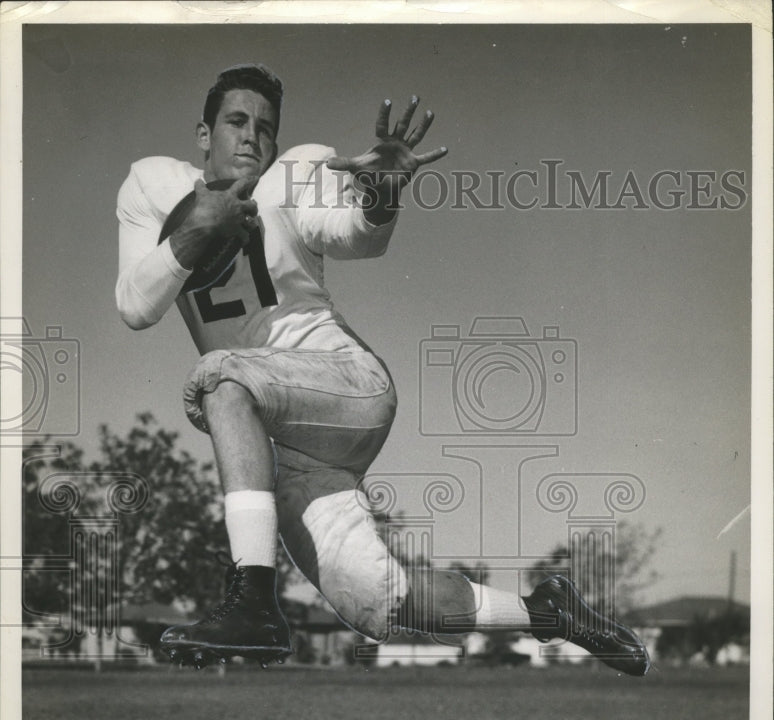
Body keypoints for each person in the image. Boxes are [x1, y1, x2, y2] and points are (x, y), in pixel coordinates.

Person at [116, 63, 650, 676]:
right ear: (203, 135)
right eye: (236, 122)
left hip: (345, 384)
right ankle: (550, 613)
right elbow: (135, 306)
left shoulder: (295, 175)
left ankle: (252, 602)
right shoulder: (152, 185)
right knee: (378, 599)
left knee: (221, 377)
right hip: (283, 443)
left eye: (265, 128)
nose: (251, 137)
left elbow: (354, 234)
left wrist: (380, 196)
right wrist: (194, 233)